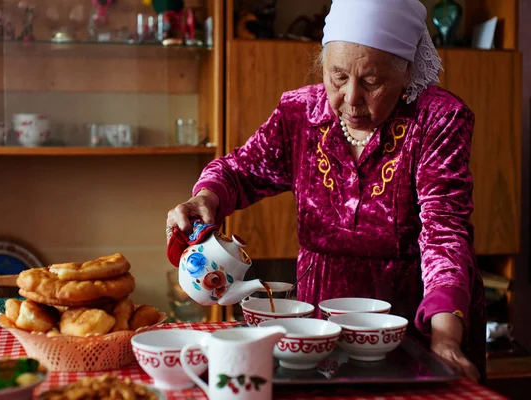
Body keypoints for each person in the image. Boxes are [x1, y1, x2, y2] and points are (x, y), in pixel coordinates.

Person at [166, 0, 485, 382]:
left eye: (371, 82)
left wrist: (446, 338)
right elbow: (240, 170)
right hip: (320, 318)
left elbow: (444, 231)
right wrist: (206, 198)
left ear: (407, 73)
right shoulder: (300, 112)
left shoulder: (437, 119)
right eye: (337, 76)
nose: (351, 98)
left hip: (413, 321)